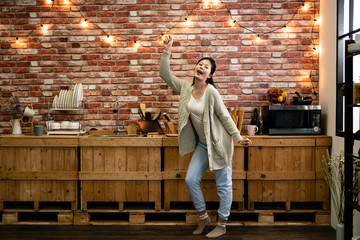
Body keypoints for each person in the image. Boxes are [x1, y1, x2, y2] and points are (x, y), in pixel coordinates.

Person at [160, 35, 252, 238]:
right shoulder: (185, 88)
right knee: (191, 179)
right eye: (199, 64)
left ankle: (222, 224)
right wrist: (167, 50)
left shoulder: (212, 92)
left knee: (223, 185)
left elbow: (225, 117)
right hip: (203, 144)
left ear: (209, 75)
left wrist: (238, 138)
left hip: (219, 144)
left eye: (206, 66)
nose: (201, 67)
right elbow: (164, 74)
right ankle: (203, 217)